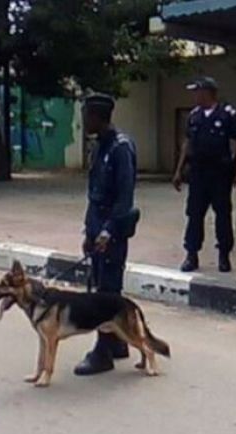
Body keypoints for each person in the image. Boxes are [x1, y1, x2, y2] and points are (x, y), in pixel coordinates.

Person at [74, 93, 138, 376]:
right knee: (100, 285)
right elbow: (94, 194)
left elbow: (124, 197)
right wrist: (89, 231)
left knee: (106, 292)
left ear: (99, 116)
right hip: (97, 223)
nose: (84, 121)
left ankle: (103, 352)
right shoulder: (99, 146)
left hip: (112, 230)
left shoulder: (121, 148)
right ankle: (117, 342)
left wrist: (107, 231)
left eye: (87, 115)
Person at [173, 77, 236, 273]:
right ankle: (191, 254)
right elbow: (187, 143)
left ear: (207, 92)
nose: (195, 95)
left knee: (222, 215)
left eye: (197, 91)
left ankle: (224, 255)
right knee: (194, 214)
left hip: (220, 173)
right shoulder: (194, 116)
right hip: (198, 172)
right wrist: (179, 170)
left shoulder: (227, 114)